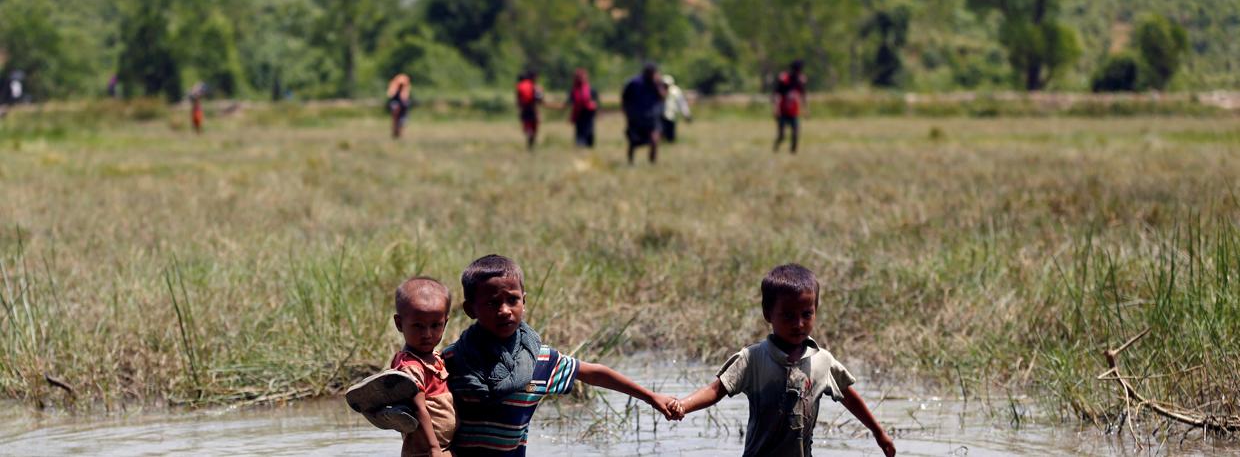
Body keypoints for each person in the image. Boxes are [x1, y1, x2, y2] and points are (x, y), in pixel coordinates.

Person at [444, 255, 681, 455]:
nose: (504, 310)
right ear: (470, 310)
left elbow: (596, 374)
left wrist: (651, 397)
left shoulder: (541, 361)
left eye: (512, 300)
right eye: (492, 303)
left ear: (524, 302)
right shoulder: (455, 360)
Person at [676, 264, 896, 457]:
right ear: (768, 314)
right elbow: (716, 390)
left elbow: (849, 397)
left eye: (806, 314)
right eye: (788, 316)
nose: (799, 324)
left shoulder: (822, 361)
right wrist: (683, 406)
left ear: (816, 311)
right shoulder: (753, 358)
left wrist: (879, 433)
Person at [345, 276, 456, 457]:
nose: (427, 334)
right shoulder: (411, 366)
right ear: (399, 324)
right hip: (425, 451)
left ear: (446, 323)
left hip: (444, 446)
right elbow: (420, 410)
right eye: (418, 326)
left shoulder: (434, 357)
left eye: (435, 325)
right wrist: (433, 448)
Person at [621, 63, 666, 164]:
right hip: (637, 118)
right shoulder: (634, 83)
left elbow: (662, 96)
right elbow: (625, 97)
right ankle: (630, 161)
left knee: (654, 140)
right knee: (634, 141)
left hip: (652, 117)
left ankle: (652, 162)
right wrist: (626, 111)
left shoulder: (656, 83)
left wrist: (658, 84)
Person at [773, 60, 807, 153]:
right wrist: (776, 109)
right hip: (782, 111)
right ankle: (776, 147)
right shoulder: (784, 79)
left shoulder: (800, 81)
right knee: (782, 135)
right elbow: (776, 95)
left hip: (794, 111)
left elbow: (803, 95)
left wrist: (805, 109)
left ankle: (793, 152)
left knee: (795, 133)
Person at [567, 68, 599, 148]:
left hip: (588, 114)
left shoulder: (591, 90)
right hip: (579, 114)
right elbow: (569, 102)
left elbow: (596, 103)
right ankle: (581, 146)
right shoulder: (574, 91)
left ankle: (587, 146)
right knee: (580, 132)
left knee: (588, 131)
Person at [515, 71, 544, 150]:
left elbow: (518, 99)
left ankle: (529, 142)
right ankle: (531, 144)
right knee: (534, 128)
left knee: (527, 127)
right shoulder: (535, 86)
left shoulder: (520, 85)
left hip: (524, 109)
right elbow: (539, 98)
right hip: (533, 108)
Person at [659, 73, 691, 143]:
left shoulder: (675, 92)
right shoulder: (658, 91)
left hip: (671, 117)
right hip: (660, 116)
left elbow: (682, 104)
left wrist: (686, 114)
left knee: (671, 138)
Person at [387, 73, 413, 139]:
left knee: (403, 120)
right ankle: (395, 131)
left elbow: (405, 98)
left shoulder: (406, 87)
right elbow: (391, 95)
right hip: (395, 103)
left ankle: (400, 132)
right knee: (395, 115)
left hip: (403, 105)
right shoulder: (393, 86)